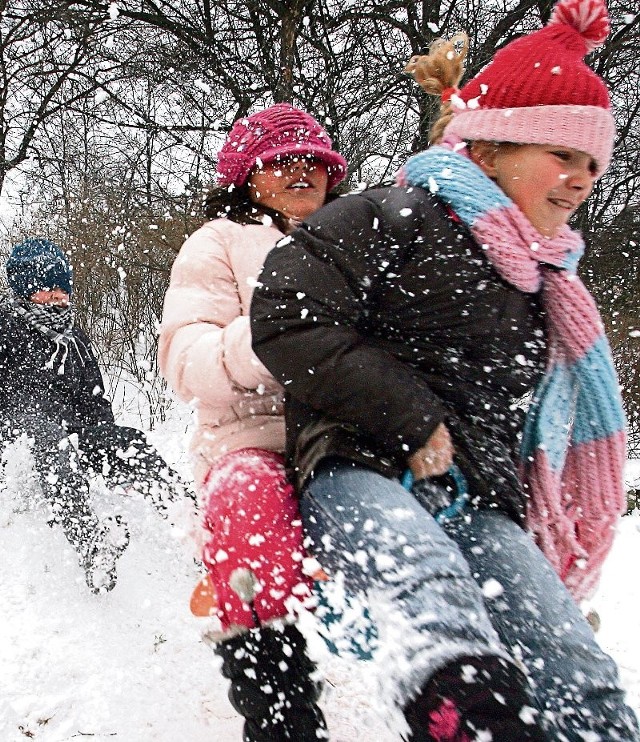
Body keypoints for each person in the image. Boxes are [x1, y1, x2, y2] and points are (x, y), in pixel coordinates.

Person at [249, 1, 640, 740]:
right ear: (489, 150)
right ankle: (465, 718)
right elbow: (288, 315)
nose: (582, 179)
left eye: (594, 163)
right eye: (562, 155)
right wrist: (413, 419)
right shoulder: (391, 216)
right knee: (431, 596)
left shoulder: (544, 282)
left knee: (570, 657)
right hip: (359, 466)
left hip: (481, 495)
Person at [158, 103, 347, 741]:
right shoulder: (219, 243)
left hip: (354, 434)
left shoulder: (356, 234)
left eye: (314, 159)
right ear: (246, 175)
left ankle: (449, 684)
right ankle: (277, 708)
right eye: (282, 159)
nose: (302, 170)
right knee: (249, 505)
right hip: (251, 436)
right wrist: (272, 342)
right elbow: (186, 360)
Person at [1, 237, 192, 593]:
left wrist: (107, 446)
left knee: (128, 441)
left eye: (62, 288)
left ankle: (196, 527)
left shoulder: (74, 338)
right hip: (17, 438)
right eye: (46, 288)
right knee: (50, 440)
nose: (57, 295)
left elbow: (94, 400)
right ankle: (91, 543)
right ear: (25, 290)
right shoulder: (5, 328)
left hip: (69, 435)